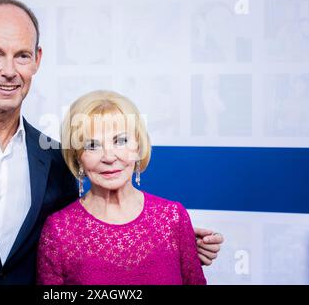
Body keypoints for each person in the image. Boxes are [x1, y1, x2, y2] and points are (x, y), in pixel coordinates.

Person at [0, 0, 222, 285]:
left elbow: (82, 242)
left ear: (37, 60)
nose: (9, 70)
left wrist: (168, 245)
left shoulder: (54, 159)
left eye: (21, 55)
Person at [37, 90, 206, 284]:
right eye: (92, 145)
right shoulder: (59, 231)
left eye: (121, 141)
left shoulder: (173, 218)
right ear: (77, 156)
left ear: (138, 147)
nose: (109, 157)